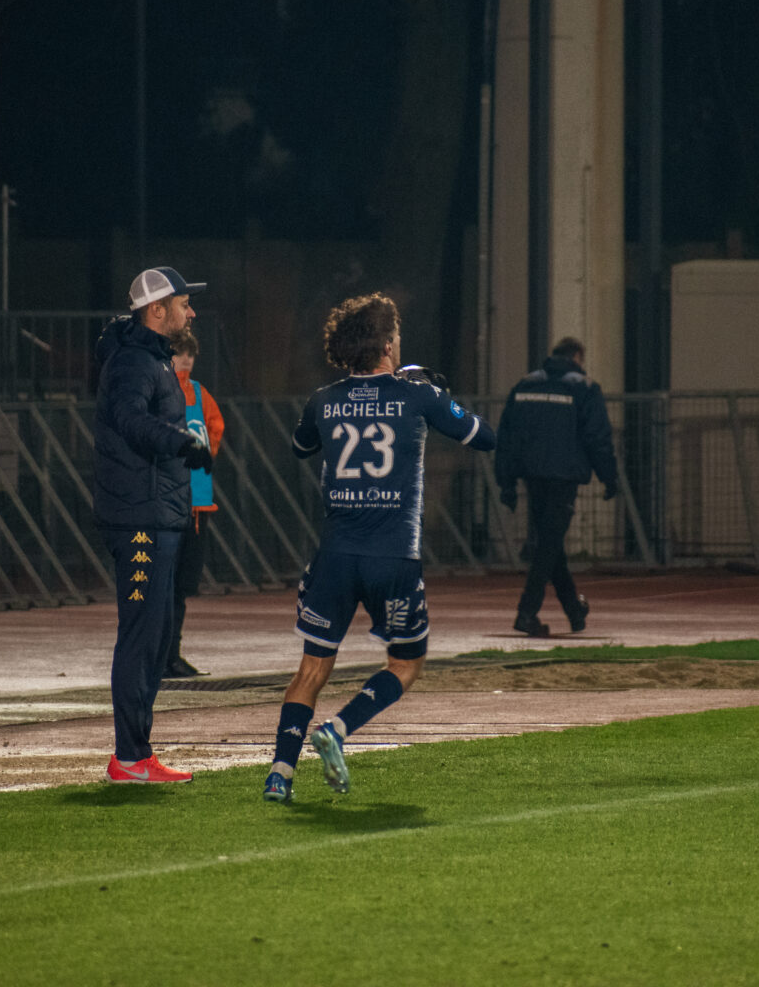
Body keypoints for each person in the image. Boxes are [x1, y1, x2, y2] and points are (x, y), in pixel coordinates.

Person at [262, 292, 496, 803]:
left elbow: (301, 447)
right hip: (393, 558)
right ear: (388, 344)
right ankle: (338, 729)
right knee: (406, 664)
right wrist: (439, 398)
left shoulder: (323, 399)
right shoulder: (418, 396)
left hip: (335, 557)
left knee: (311, 669)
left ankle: (280, 774)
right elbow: (482, 437)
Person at [94, 266, 212, 784]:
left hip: (156, 514)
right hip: (139, 518)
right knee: (142, 636)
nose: (192, 312)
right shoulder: (134, 362)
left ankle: (138, 753)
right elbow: (129, 418)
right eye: (184, 304)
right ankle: (129, 757)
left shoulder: (153, 359)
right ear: (157, 310)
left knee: (156, 637)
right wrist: (180, 441)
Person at [495, 336, 619, 637]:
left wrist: (506, 482)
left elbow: (507, 437)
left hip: (532, 475)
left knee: (550, 544)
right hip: (564, 477)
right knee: (548, 544)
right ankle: (526, 612)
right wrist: (609, 477)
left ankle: (574, 610)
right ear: (577, 357)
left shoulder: (525, 385)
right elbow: (597, 439)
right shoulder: (584, 388)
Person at [164, 329, 224, 678]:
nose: (185, 360)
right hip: (172, 503)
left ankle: (172, 653)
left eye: (189, 354)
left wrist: (208, 453)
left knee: (183, 586)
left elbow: (216, 426)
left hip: (198, 503)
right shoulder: (163, 391)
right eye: (179, 353)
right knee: (166, 584)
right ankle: (163, 654)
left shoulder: (199, 393)